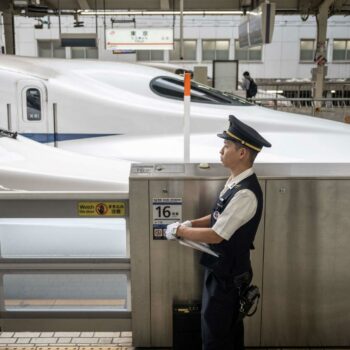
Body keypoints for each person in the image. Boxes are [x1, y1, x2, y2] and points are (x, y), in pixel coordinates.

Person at [166, 115, 271, 350]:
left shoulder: (245, 193)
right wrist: (191, 223)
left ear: (242, 153)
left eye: (226, 146)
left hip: (228, 279)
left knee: (216, 337)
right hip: (221, 271)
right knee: (223, 332)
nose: (221, 151)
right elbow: (217, 217)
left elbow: (217, 234)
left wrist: (181, 231)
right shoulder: (235, 181)